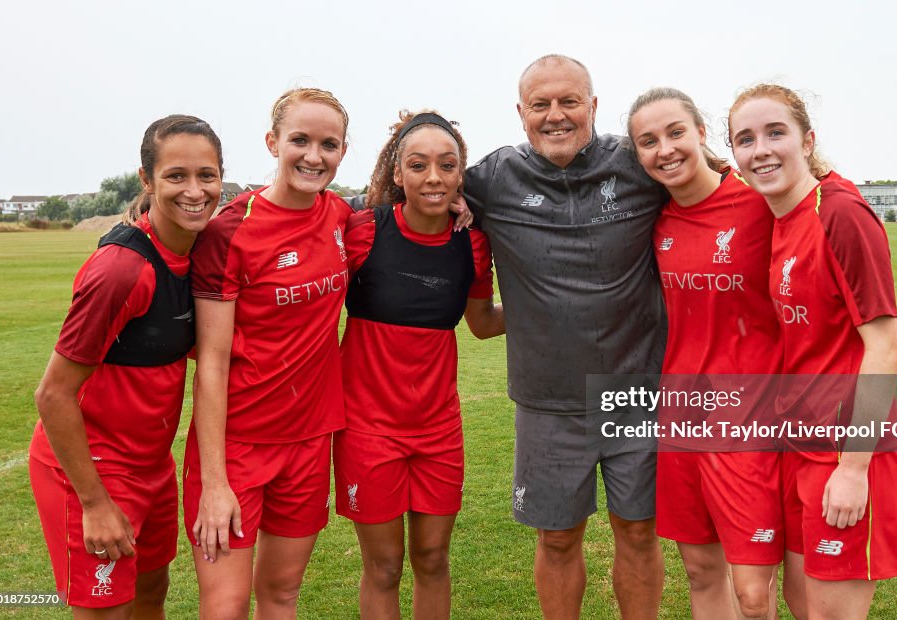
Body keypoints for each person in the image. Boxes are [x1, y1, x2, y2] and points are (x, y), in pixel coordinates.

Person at [462, 54, 669, 619]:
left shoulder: (639, 163)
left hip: (638, 394)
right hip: (548, 401)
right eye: (540, 105)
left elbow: (731, 193)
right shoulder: (492, 178)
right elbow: (411, 195)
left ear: (594, 106)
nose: (555, 115)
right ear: (521, 113)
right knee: (556, 539)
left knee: (638, 531)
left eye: (569, 101)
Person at [728, 84, 897, 620]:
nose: (760, 149)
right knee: (801, 602)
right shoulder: (783, 216)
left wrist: (853, 469)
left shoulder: (841, 214)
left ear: (807, 141)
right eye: (746, 139)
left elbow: (885, 349)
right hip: (798, 443)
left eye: (775, 133)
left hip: (847, 451)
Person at [30, 114, 223, 617]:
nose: (194, 190)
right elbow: (52, 394)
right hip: (93, 472)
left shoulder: (199, 247)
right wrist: (94, 503)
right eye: (176, 176)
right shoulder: (121, 271)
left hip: (153, 467)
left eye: (207, 175)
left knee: (150, 593)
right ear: (146, 179)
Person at [185, 87, 356, 618]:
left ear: (343, 152)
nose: (313, 156)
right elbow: (210, 362)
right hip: (236, 448)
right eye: (299, 140)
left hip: (308, 441)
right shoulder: (229, 233)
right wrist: (215, 483)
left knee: (281, 595)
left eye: (328, 144)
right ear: (272, 142)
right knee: (227, 606)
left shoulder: (340, 216)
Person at [334, 110, 504, 619]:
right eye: (419, 164)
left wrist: (557, 303)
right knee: (384, 566)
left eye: (447, 166)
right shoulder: (362, 230)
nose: (433, 177)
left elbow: (481, 322)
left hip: (438, 431)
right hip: (368, 431)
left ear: (460, 175)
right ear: (397, 173)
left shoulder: (472, 244)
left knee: (432, 558)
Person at [626, 87, 783, 620]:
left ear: (700, 133)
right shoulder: (655, 220)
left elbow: (814, 267)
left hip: (751, 418)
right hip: (682, 416)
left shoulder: (761, 203)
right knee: (700, 572)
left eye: (674, 132)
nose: (664, 149)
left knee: (754, 593)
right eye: (647, 141)